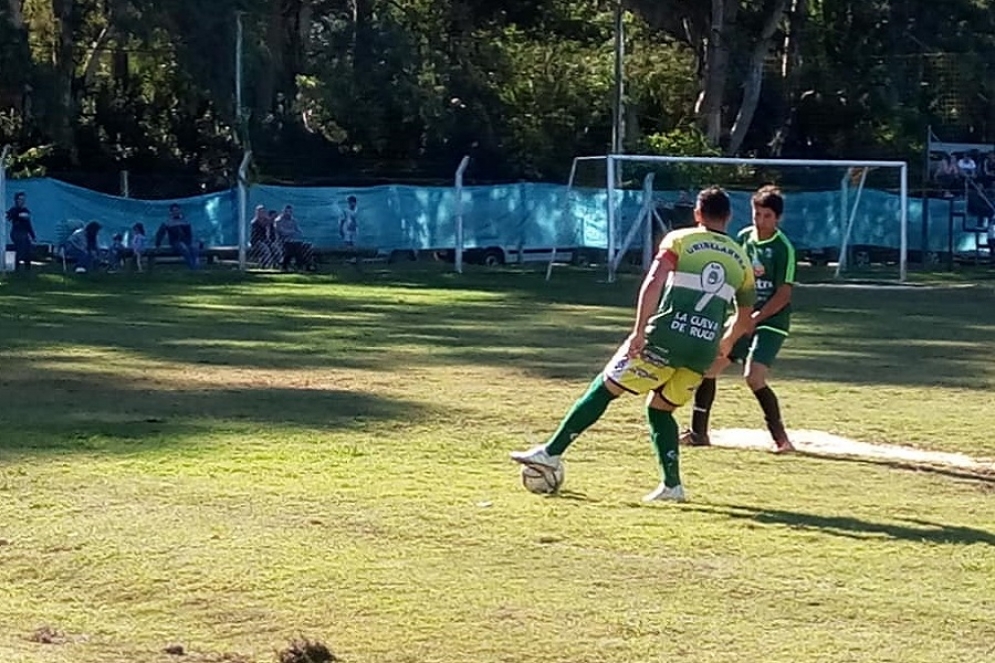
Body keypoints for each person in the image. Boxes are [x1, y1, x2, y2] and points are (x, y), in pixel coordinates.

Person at [510, 186, 756, 503]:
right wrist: (725, 343)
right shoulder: (742, 260)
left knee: (605, 387)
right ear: (729, 216)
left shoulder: (679, 240)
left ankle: (550, 452)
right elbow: (745, 317)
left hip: (665, 338)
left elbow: (653, 281)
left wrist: (639, 331)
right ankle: (672, 486)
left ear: (697, 213)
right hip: (702, 351)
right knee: (661, 410)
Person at [680, 185, 796, 454]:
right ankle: (699, 433)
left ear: (778, 218)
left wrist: (756, 317)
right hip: (743, 318)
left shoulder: (783, 248)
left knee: (753, 377)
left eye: (767, 216)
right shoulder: (743, 238)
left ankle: (782, 440)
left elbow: (784, 294)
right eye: (757, 214)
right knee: (709, 367)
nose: (761, 221)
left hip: (772, 322)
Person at [155, 203, 199, 269]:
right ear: (171, 212)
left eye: (177, 210)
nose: (176, 212)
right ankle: (193, 267)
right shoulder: (168, 222)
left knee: (194, 248)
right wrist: (158, 244)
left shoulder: (185, 220)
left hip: (186, 241)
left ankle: (196, 266)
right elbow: (160, 233)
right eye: (174, 210)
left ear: (180, 210)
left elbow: (189, 234)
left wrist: (189, 242)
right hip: (175, 242)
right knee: (184, 248)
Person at [5, 191, 36, 272]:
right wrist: (18, 215)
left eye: (23, 199)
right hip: (16, 232)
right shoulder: (13, 210)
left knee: (28, 248)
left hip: (24, 233)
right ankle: (17, 266)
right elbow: (9, 216)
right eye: (20, 199)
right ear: (16, 200)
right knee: (20, 246)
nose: (22, 201)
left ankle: (27, 268)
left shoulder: (26, 210)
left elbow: (28, 225)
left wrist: (33, 236)